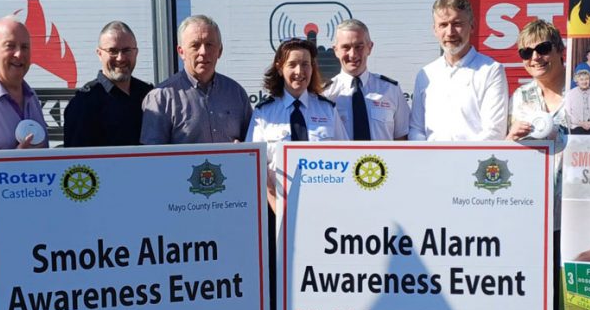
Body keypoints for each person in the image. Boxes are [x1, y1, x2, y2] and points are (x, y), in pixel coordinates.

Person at [246, 38, 348, 206]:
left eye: (305, 64)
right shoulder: (263, 113)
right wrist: (276, 207)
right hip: (277, 206)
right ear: (280, 68)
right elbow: (255, 167)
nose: (299, 71)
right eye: (292, 64)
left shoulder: (327, 110)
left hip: (323, 203)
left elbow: (345, 157)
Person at [408, 0, 508, 140]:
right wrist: (428, 157)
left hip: (474, 161)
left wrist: (458, 159)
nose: (450, 32)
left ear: (472, 26)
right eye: (443, 25)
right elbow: (416, 129)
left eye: (457, 24)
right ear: (435, 30)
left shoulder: (491, 70)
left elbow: (494, 132)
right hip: (432, 161)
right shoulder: (425, 74)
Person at [140, 15, 252, 144]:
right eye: (195, 45)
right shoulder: (161, 98)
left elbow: (252, 145)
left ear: (220, 51)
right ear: (181, 52)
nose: (203, 52)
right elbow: (152, 157)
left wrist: (243, 148)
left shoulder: (236, 93)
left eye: (209, 44)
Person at [507, 20, 568, 227]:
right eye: (526, 52)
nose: (535, 57)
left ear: (560, 49)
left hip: (577, 213)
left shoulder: (584, 92)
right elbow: (506, 155)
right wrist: (510, 138)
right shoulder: (520, 97)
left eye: (542, 48)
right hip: (533, 213)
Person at [64, 21, 153, 147]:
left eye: (127, 50)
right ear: (99, 54)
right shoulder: (83, 103)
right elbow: (76, 161)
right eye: (113, 51)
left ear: (136, 53)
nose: (120, 58)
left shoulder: (149, 95)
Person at [0, 16, 49, 150]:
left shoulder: (32, 98)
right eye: (10, 46)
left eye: (25, 47)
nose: (19, 54)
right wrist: (13, 163)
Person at [321, 19, 409, 140]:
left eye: (359, 47)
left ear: (370, 47)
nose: (353, 54)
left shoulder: (391, 90)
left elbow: (402, 138)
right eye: (346, 47)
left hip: (383, 159)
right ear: (336, 50)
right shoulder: (325, 94)